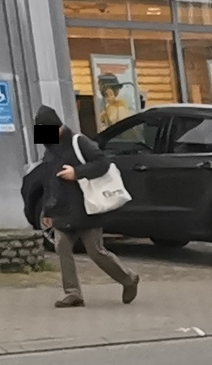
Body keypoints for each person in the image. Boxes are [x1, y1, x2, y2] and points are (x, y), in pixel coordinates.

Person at [21, 105, 138, 309]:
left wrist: (77, 173)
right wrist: (47, 211)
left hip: (86, 207)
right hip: (62, 209)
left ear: (59, 127)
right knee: (62, 247)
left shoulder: (78, 141)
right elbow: (49, 181)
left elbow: (103, 162)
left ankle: (128, 279)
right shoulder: (49, 147)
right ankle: (73, 293)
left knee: (96, 251)